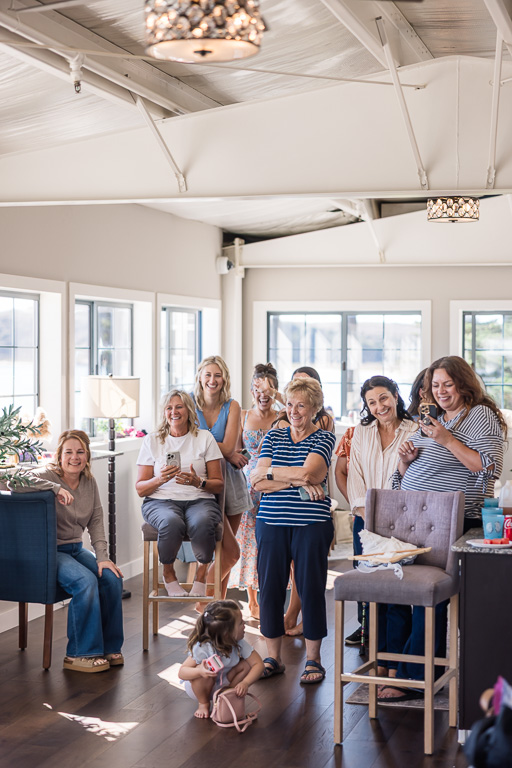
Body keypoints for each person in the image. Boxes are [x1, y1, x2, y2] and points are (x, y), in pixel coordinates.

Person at [379, 356, 506, 700]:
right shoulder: (433, 420)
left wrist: (448, 439)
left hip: (451, 521)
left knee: (427, 596)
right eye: (435, 386)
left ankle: (412, 675)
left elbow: (487, 467)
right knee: (404, 594)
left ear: (464, 384)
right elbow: (405, 477)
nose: (441, 391)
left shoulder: (480, 416)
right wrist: (405, 461)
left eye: (447, 384)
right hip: (413, 519)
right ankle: (400, 667)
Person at [12, 430, 124, 673]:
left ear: (87, 456)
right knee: (85, 582)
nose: (75, 457)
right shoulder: (46, 474)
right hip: (50, 552)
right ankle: (79, 654)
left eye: (80, 452)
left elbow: (96, 520)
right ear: (59, 456)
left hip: (75, 548)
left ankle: (109, 647)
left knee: (111, 579)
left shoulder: (89, 481)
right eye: (69, 452)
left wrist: (103, 558)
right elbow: (11, 480)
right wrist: (53, 488)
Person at [251, 377, 336, 684]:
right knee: (269, 589)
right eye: (290, 404)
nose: (295, 411)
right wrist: (296, 480)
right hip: (271, 522)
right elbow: (256, 482)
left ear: (314, 408)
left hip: (311, 525)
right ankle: (273, 656)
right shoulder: (274, 436)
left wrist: (275, 473)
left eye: (302, 405)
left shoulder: (323, 439)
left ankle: (313, 660)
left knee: (311, 589)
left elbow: (311, 471)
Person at [344, 376, 418, 677]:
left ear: (396, 395)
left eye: (384, 398)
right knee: (374, 594)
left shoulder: (415, 430)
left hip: (402, 521)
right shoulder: (362, 432)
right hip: (366, 521)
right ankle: (379, 660)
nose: (379, 406)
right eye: (372, 402)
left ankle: (397, 664)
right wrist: (364, 511)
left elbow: (416, 475)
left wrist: (390, 512)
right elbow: (354, 475)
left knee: (398, 594)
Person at [136, 390, 224, 597]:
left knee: (202, 521)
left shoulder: (204, 438)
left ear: (188, 410)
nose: (174, 412)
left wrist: (198, 482)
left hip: (199, 500)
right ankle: (168, 574)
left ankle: (201, 575)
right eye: (169, 408)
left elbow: (218, 484)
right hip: (160, 501)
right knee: (171, 522)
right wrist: (160, 479)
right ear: (164, 413)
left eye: (179, 407)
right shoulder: (153, 440)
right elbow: (140, 488)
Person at [193, 355, 251, 598]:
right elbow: (224, 449)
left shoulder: (232, 406)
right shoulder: (189, 404)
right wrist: (226, 452)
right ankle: (205, 597)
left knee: (226, 551)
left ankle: (217, 608)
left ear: (224, 378)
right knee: (221, 550)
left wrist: (217, 449)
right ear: (200, 377)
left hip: (231, 482)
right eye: (208, 375)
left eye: (217, 375)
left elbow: (229, 444)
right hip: (202, 485)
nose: (212, 380)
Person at [229, 363, 280, 619]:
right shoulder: (243, 416)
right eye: (258, 389)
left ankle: (268, 594)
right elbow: (236, 451)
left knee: (269, 541)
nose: (263, 395)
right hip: (248, 485)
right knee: (250, 542)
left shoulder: (282, 417)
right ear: (252, 390)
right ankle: (252, 599)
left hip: (273, 483)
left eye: (268, 390)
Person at [178, 599, 264, 719]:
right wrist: (200, 671)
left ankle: (227, 694)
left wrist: (245, 683)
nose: (245, 624)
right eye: (240, 623)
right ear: (226, 633)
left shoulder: (239, 642)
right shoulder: (204, 647)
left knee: (247, 665)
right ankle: (203, 704)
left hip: (224, 682)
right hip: (200, 689)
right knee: (204, 670)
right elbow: (182, 672)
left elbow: (258, 664)